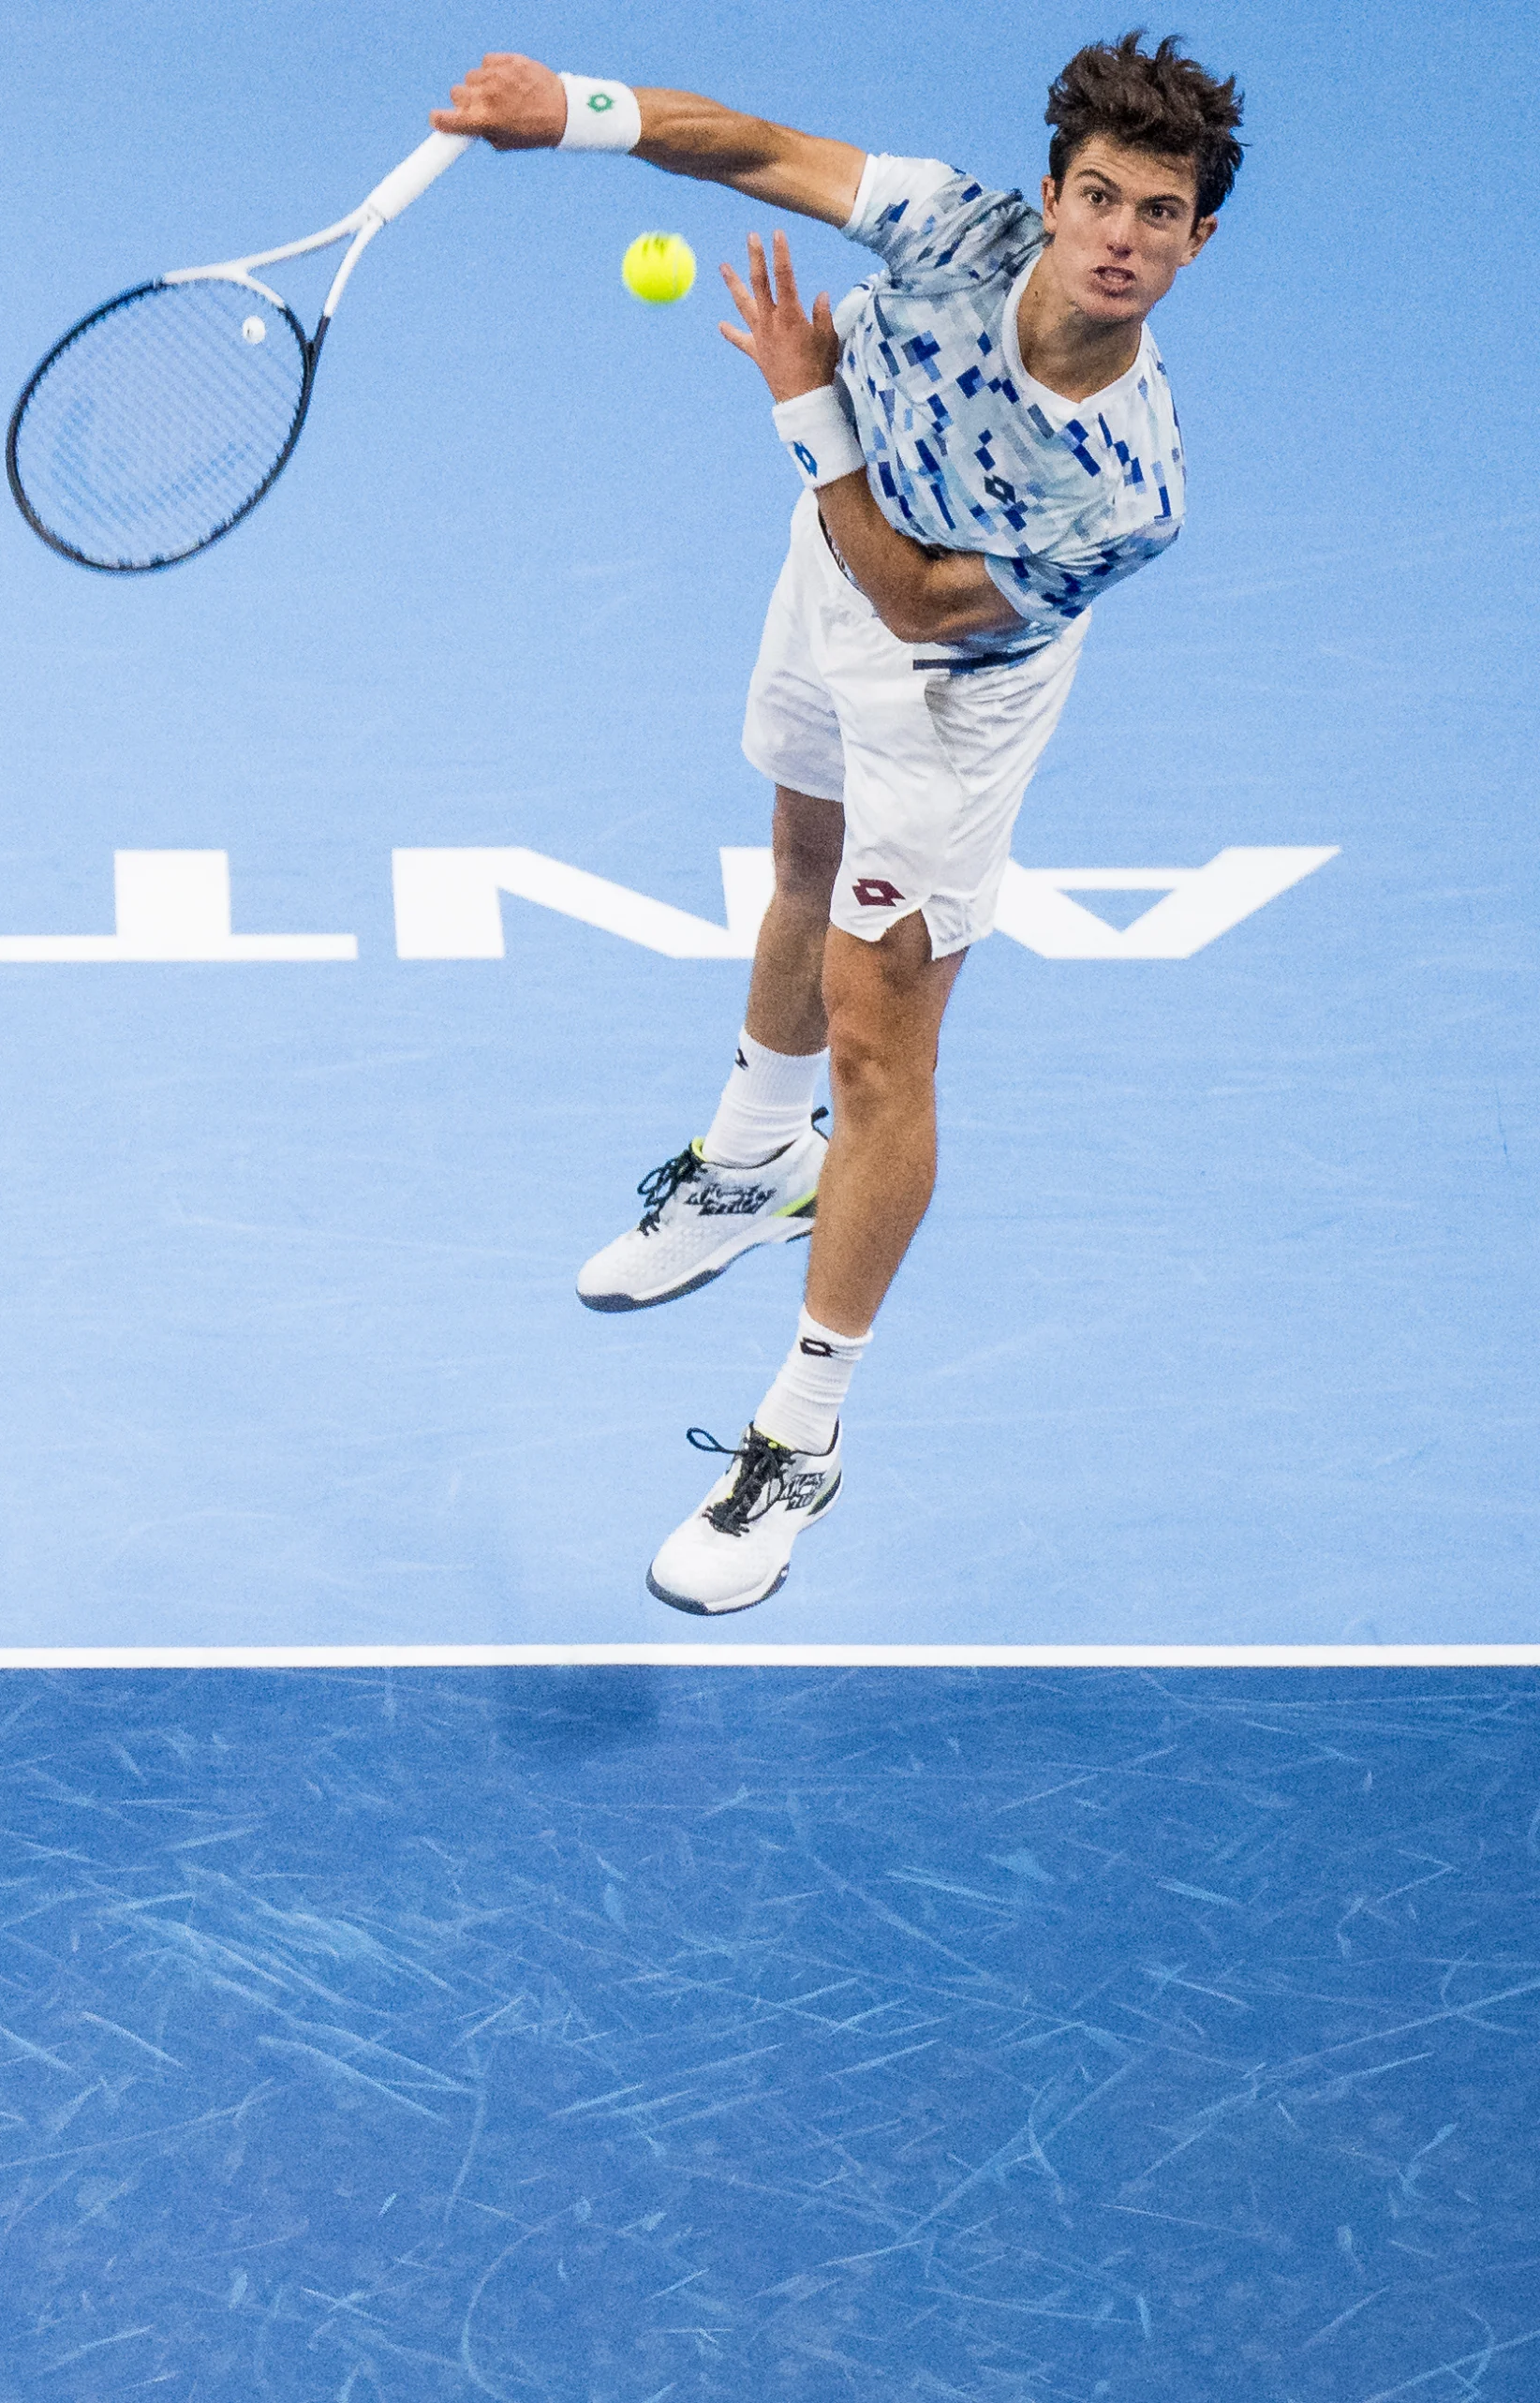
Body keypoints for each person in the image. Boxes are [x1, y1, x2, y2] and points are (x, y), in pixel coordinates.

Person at [430, 37, 1244, 1611]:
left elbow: (922, 601)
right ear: (1054, 196)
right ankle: (746, 1168)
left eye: (1159, 212)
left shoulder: (1130, 489)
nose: (1120, 238)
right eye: (1097, 198)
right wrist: (578, 118)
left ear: (1198, 238)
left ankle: (800, 1436)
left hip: (950, 682)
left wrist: (811, 408)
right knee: (798, 856)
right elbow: (752, 150)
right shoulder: (957, 228)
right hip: (838, 554)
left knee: (881, 1049)